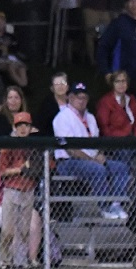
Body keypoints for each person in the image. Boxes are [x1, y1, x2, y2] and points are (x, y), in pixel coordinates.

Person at [53, 82, 130, 220]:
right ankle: (105, 206)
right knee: (97, 170)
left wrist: (100, 155)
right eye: (78, 97)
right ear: (70, 98)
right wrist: (93, 160)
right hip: (68, 162)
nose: (81, 101)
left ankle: (116, 204)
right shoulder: (62, 117)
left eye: (84, 97)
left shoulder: (91, 117)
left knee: (120, 168)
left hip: (92, 159)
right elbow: (70, 149)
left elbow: (97, 142)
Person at [0, 113, 42, 269]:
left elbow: (42, 167)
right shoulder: (9, 145)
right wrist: (21, 169)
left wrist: (30, 169)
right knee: (8, 231)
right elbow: (2, 171)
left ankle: (21, 265)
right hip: (11, 190)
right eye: (19, 125)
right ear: (14, 128)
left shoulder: (34, 146)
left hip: (28, 190)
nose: (23, 128)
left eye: (25, 125)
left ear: (30, 128)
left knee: (24, 231)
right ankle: (5, 266)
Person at [94, 70, 136, 141]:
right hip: (115, 143)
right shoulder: (105, 102)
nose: (121, 84)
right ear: (112, 84)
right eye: (117, 81)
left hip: (134, 141)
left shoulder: (131, 99)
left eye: (123, 81)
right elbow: (104, 127)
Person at [33, 72, 70, 137]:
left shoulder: (73, 103)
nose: (60, 86)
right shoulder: (46, 105)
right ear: (52, 88)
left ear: (67, 87)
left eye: (63, 83)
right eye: (56, 84)